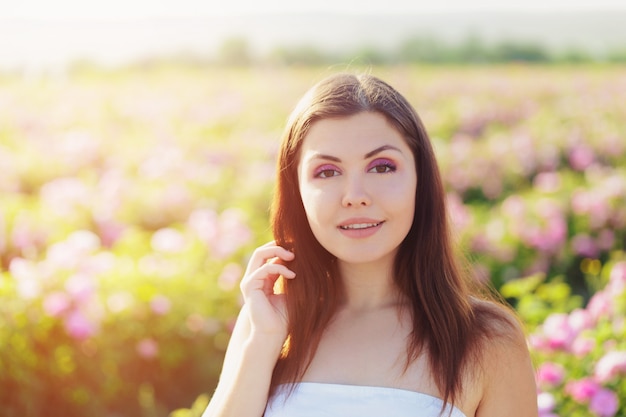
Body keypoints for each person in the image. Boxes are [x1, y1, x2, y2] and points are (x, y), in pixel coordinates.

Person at [202, 73, 538, 417]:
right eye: (328, 172)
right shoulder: (270, 324)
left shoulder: (485, 340)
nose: (355, 197)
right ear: (297, 193)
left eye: (381, 167)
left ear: (420, 181)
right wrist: (263, 339)